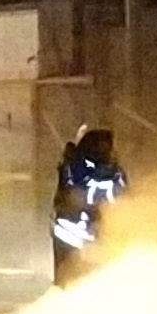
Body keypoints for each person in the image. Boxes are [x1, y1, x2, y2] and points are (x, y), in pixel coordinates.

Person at [49, 123, 126, 288]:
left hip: (101, 228)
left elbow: (123, 195)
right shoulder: (75, 166)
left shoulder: (115, 172)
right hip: (74, 224)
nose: (107, 150)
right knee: (67, 269)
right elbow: (67, 193)